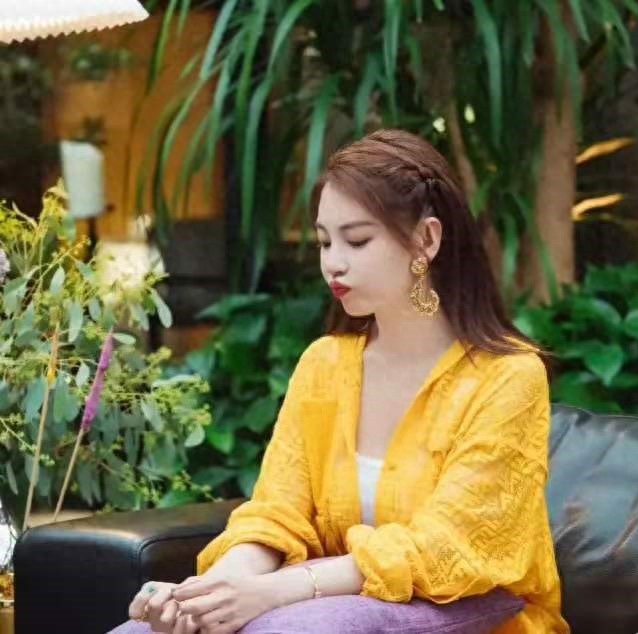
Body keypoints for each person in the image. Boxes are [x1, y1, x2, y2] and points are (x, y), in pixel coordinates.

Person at [112, 129, 569, 634]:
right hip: (326, 614)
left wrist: (276, 591)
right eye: (325, 242)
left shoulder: (507, 377)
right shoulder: (324, 365)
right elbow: (276, 513)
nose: (333, 262)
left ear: (427, 239)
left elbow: (449, 546)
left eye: (357, 240)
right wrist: (210, 593)